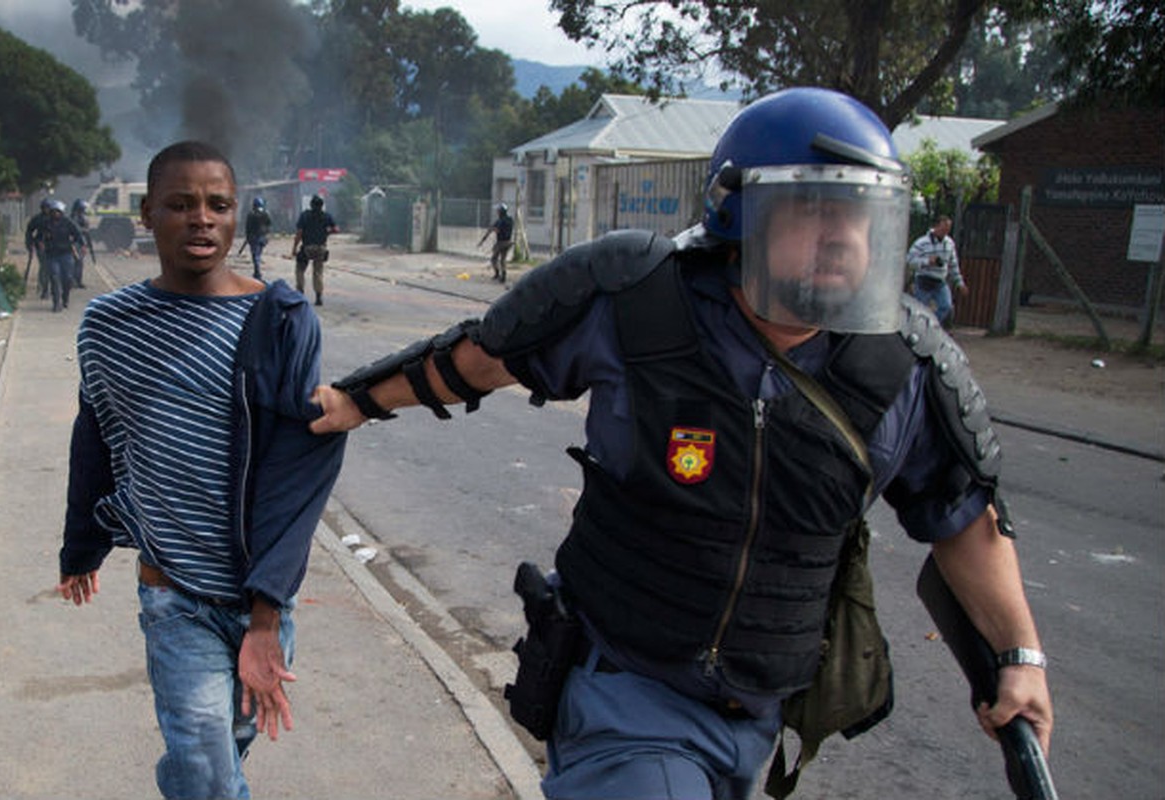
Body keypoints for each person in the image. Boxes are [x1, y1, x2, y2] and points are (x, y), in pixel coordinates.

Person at [310, 88, 1053, 799]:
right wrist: (354, 402)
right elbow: (475, 360)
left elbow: (963, 518)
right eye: (811, 212)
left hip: (757, 721)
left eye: (858, 218)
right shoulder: (637, 300)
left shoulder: (903, 367)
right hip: (624, 696)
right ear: (739, 215)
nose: (838, 239)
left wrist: (1020, 659)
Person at [57, 141, 346, 799]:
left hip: (258, 593)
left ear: (235, 216)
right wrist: (81, 546)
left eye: (217, 205)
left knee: (222, 756)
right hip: (172, 591)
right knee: (203, 767)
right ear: (147, 215)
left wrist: (266, 618)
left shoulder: (279, 319)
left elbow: (296, 474)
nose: (202, 219)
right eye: (180, 205)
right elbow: (96, 437)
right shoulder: (109, 324)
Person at [907, 214, 968, 326]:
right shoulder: (921, 243)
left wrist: (959, 282)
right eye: (943, 228)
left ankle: (932, 325)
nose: (945, 231)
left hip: (940, 280)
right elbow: (910, 260)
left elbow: (953, 264)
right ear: (936, 227)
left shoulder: (949, 244)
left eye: (948, 229)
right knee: (920, 310)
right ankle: (918, 328)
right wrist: (926, 261)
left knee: (946, 306)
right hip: (923, 279)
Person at [28, 199, 85, 312]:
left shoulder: (68, 223)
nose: (55, 214)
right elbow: (37, 236)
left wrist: (80, 245)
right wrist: (38, 243)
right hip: (51, 255)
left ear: (61, 212)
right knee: (54, 277)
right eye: (53, 212)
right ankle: (56, 302)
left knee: (67, 278)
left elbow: (78, 235)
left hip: (66, 254)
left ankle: (65, 299)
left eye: (58, 212)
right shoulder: (45, 223)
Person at [291, 195, 339, 305]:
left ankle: (300, 293)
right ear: (322, 206)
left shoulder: (305, 215)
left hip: (307, 247)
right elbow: (336, 229)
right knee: (318, 272)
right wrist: (327, 232)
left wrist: (294, 248)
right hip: (321, 248)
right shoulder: (326, 216)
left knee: (300, 269)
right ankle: (318, 297)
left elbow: (299, 233)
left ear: (311, 205)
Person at [24, 198, 52, 300]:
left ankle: (51, 287)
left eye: (48, 207)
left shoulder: (54, 218)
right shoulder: (37, 219)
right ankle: (44, 288)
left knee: (52, 268)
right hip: (41, 245)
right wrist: (30, 245)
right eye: (45, 208)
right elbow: (29, 232)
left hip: (54, 246)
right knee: (44, 267)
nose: (46, 209)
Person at [478, 203, 514, 282]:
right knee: (503, 260)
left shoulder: (500, 221)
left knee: (494, 258)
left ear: (501, 211)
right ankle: (503, 275)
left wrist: (482, 241)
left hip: (501, 243)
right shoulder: (510, 219)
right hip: (509, 242)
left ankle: (497, 274)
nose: (497, 212)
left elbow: (494, 230)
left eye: (498, 211)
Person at [243, 196, 273, 280]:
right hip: (263, 237)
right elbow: (269, 225)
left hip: (254, 238)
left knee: (255, 255)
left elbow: (247, 227)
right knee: (258, 254)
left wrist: (248, 237)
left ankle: (257, 272)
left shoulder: (251, 214)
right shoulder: (266, 213)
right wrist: (267, 236)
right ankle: (257, 271)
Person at [69, 199, 95, 289]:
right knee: (76, 262)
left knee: (79, 263)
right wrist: (85, 229)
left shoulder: (81, 217)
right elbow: (76, 229)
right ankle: (73, 281)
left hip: (81, 242)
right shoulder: (74, 218)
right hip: (75, 242)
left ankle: (78, 281)